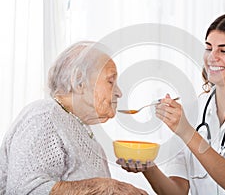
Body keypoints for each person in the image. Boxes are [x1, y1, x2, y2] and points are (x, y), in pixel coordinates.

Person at [117, 12, 225, 194]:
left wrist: (186, 131)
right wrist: (147, 166)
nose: (211, 57)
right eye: (208, 48)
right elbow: (177, 191)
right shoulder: (195, 109)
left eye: (224, 50)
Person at [0, 41, 148, 195]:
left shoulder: (79, 127)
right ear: (79, 81)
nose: (119, 92)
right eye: (111, 81)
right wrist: (107, 187)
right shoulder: (44, 117)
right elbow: (23, 190)